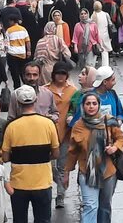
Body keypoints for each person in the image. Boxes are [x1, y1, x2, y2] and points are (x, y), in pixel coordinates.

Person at [64, 92, 123, 223]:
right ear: (83, 106)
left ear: (99, 105)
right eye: (88, 104)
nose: (91, 106)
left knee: (104, 207)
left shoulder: (108, 121)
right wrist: (66, 173)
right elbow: (72, 151)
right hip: (87, 172)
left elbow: (121, 138)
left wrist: (114, 148)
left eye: (94, 103)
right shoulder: (78, 126)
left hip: (107, 172)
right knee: (91, 206)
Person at [2, 85, 60, 223]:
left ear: (18, 103)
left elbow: (4, 157)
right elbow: (56, 153)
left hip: (19, 184)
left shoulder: (11, 126)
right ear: (35, 101)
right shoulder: (48, 123)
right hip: (43, 183)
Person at [44, 62, 77, 208]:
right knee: (49, 167)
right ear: (53, 74)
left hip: (66, 135)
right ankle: (61, 183)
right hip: (47, 136)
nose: (61, 76)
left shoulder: (73, 91)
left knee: (63, 166)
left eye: (63, 73)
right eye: (58, 73)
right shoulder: (45, 90)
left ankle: (60, 196)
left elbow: (76, 110)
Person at [6, 15, 32, 89]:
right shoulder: (23, 29)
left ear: (12, 21)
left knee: (15, 75)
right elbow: (28, 41)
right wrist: (29, 51)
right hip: (22, 54)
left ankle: (17, 90)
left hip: (12, 54)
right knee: (23, 73)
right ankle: (27, 88)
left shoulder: (9, 30)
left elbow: (7, 43)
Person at [91, 1, 113, 67]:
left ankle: (92, 65)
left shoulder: (93, 15)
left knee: (95, 51)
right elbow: (110, 24)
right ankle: (105, 66)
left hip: (96, 35)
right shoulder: (105, 14)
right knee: (105, 51)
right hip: (105, 35)